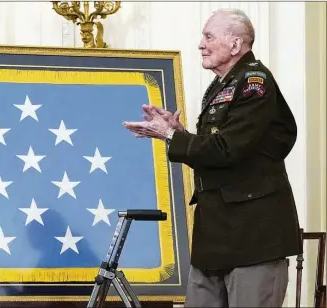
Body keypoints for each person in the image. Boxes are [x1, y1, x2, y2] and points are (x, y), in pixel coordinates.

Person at [123, 8, 302, 308]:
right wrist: (177, 130)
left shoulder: (255, 82)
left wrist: (171, 137)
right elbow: (214, 151)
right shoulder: (219, 87)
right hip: (215, 237)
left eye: (208, 36)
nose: (200, 44)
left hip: (253, 238)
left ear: (234, 45)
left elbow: (227, 149)